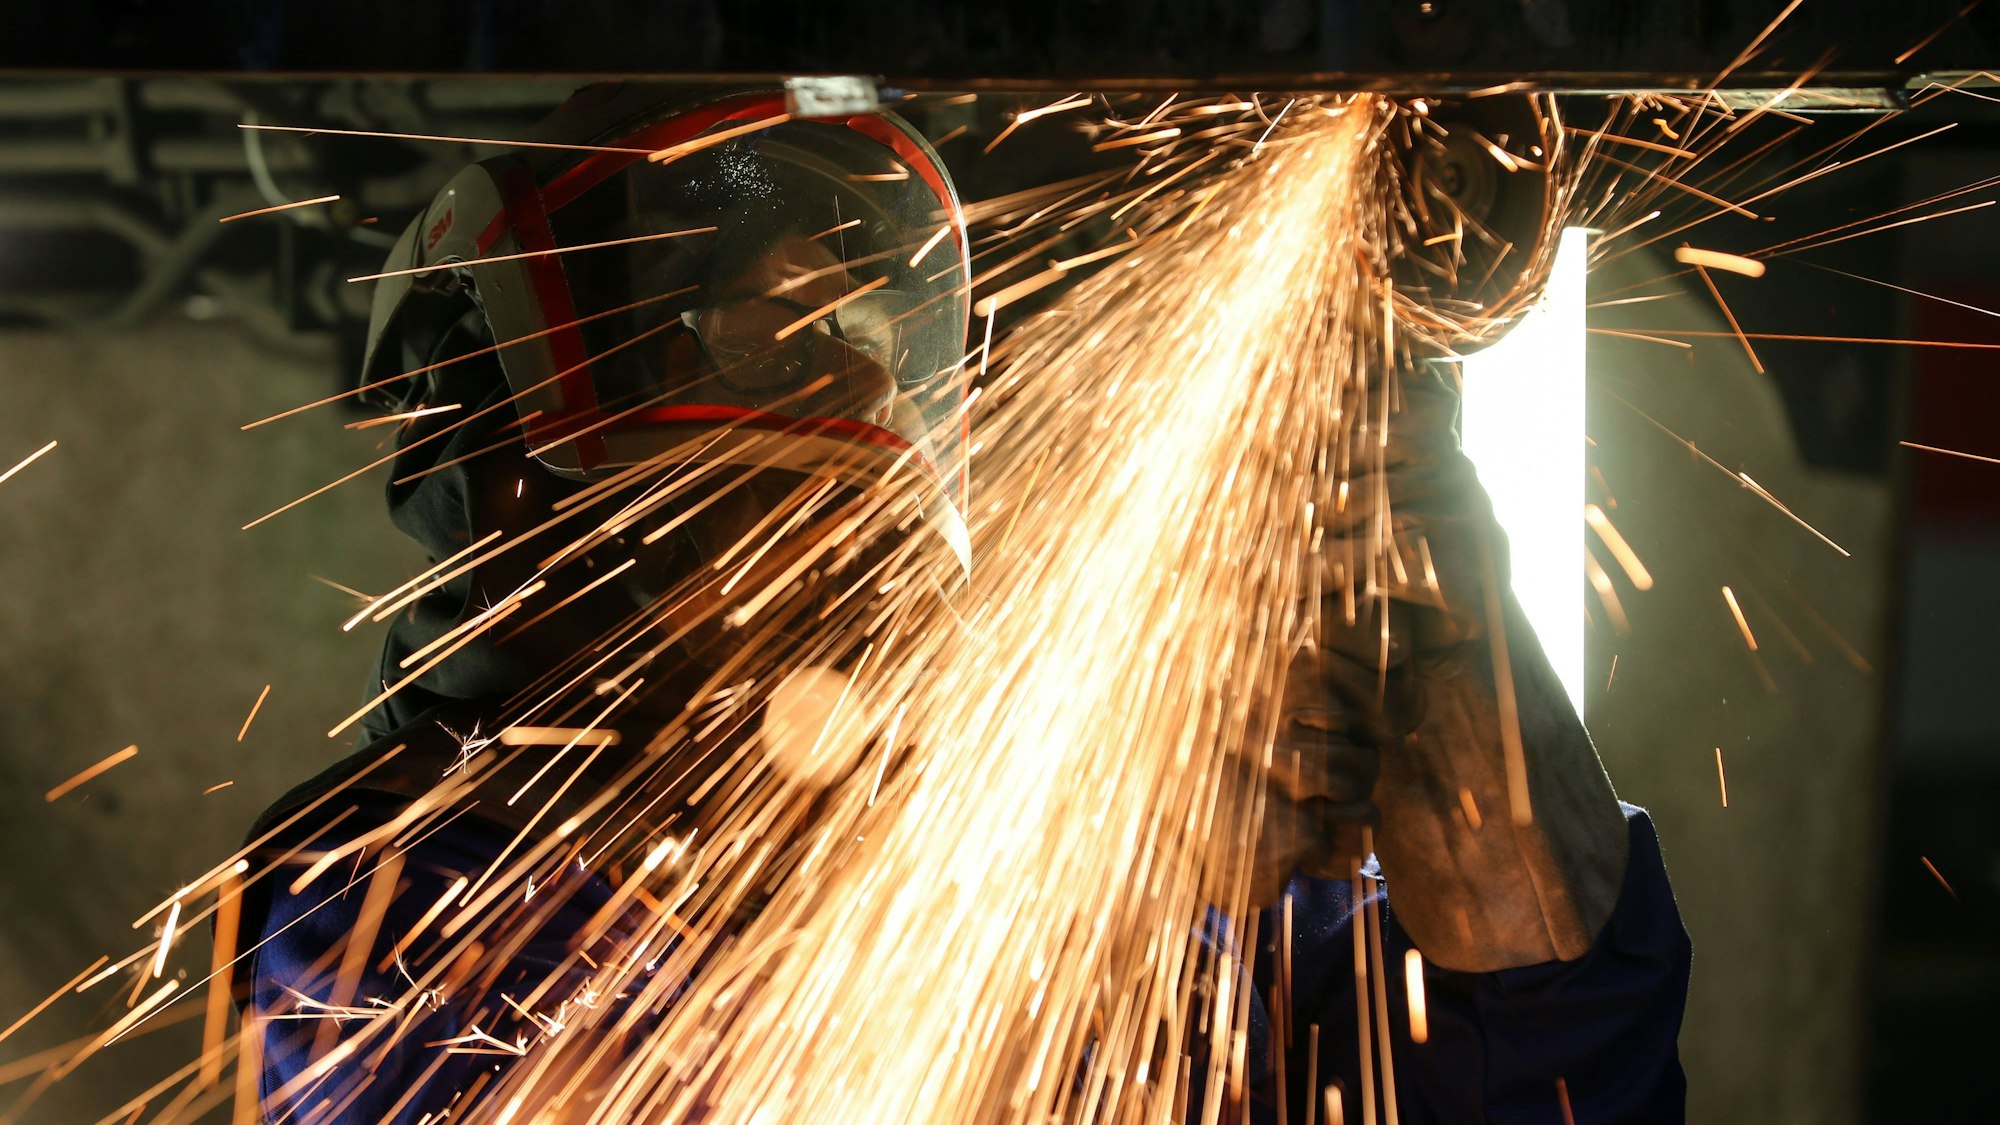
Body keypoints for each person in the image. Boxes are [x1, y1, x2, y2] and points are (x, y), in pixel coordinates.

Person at [233, 84, 1689, 1124]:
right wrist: (1109, 870)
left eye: (842, 307)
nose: (821, 332)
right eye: (731, 305)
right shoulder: (374, 899)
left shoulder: (1149, 863)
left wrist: (1437, 591)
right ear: (504, 480)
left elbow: (1564, 1060)